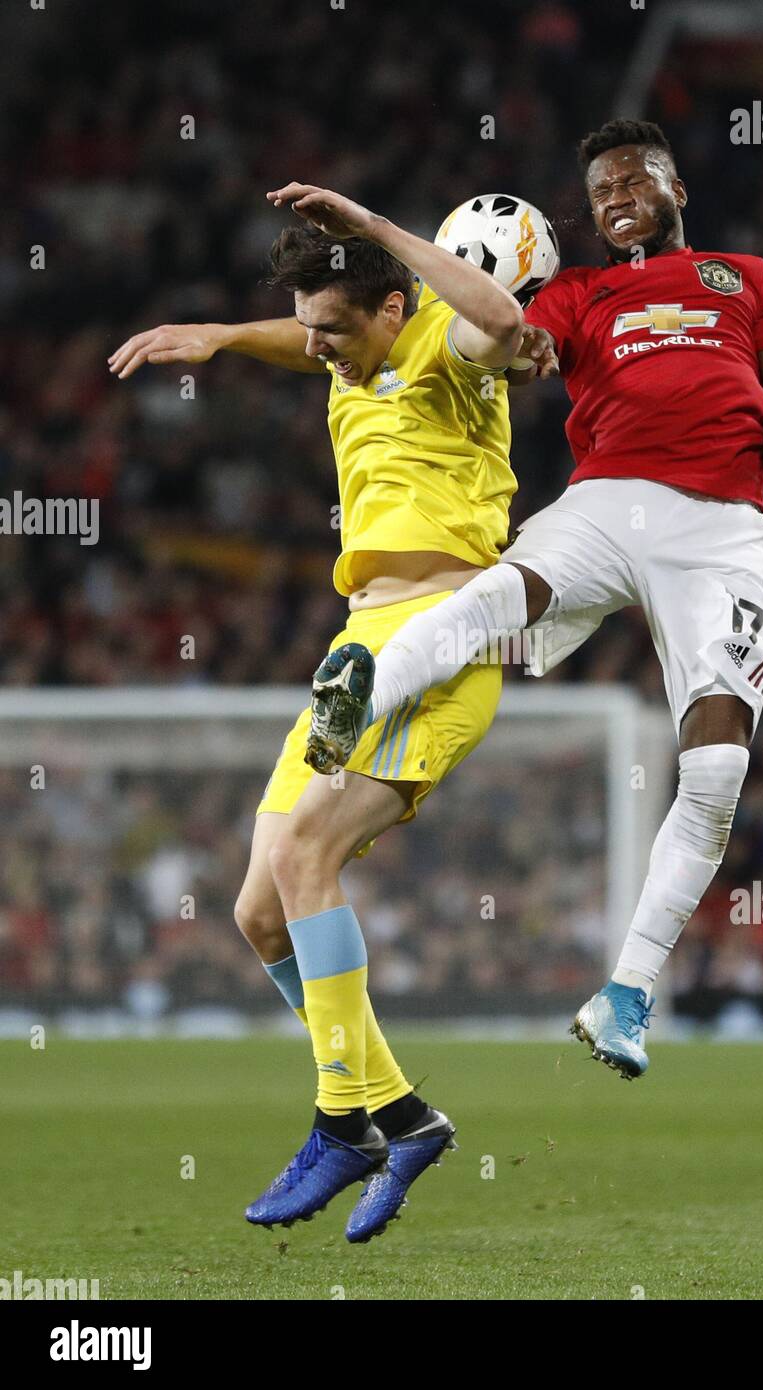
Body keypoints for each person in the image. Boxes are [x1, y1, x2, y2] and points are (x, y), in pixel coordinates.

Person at [304, 120, 763, 1080]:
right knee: (492, 601)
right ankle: (357, 696)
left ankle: (626, 994)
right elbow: (508, 344)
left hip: (723, 528)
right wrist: (516, 354)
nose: (614, 196)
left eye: (632, 178)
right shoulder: (577, 292)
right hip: (607, 501)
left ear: (676, 186)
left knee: (716, 772)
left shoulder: (746, 277)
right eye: (598, 190)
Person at [109, 181, 524, 1238]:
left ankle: (343, 1120)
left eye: (335, 327)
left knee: (306, 861)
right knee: (257, 911)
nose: (319, 349)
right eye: (310, 330)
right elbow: (308, 342)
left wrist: (380, 230)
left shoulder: (445, 343)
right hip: (357, 643)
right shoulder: (347, 350)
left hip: (443, 639)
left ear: (391, 307)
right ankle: (402, 1114)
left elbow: (503, 324)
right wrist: (221, 336)